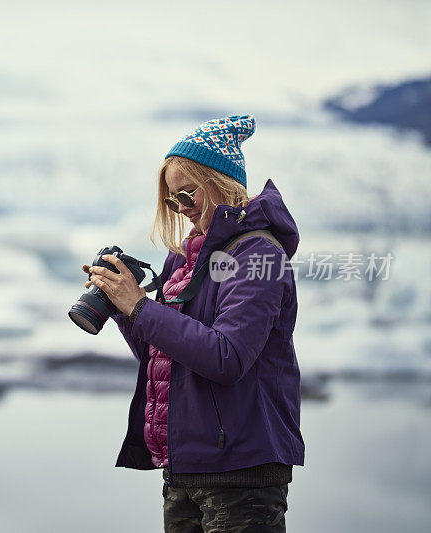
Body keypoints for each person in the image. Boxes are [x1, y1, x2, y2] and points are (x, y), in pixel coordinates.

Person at [82, 114, 304, 532]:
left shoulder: (259, 255)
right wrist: (124, 307)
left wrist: (142, 308)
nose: (181, 209)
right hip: (186, 464)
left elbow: (227, 357)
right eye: (171, 200)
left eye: (188, 194)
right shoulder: (183, 260)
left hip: (241, 471)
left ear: (222, 183)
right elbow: (164, 355)